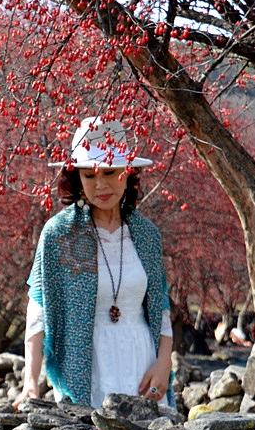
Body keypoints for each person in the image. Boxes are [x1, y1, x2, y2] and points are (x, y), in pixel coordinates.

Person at [16, 117, 174, 409]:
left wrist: (164, 363)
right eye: (89, 176)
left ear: (127, 172)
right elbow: (38, 311)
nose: (100, 184)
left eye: (110, 172)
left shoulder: (147, 234)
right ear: (78, 178)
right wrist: (30, 382)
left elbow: (160, 307)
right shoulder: (59, 234)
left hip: (143, 365)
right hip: (86, 367)